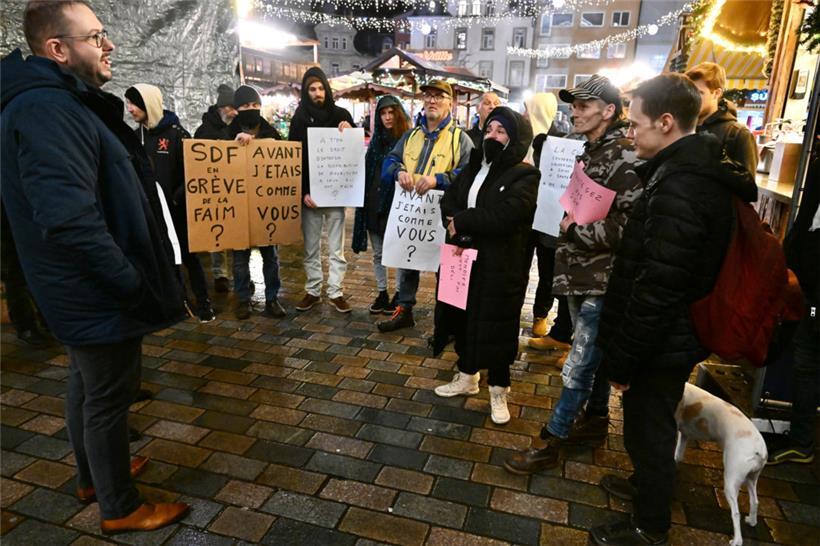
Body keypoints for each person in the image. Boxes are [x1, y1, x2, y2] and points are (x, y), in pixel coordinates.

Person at [1, 0, 190, 532]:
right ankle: (120, 506)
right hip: (93, 290)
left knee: (88, 386)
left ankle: (95, 477)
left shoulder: (54, 102)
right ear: (57, 49)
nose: (109, 45)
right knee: (109, 395)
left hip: (79, 290)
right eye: (95, 37)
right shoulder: (47, 110)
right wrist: (129, 282)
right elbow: (69, 219)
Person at [588, 74, 757, 546]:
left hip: (664, 337)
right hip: (669, 334)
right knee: (650, 425)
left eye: (635, 123)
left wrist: (623, 359)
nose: (630, 133)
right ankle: (646, 488)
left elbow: (659, 287)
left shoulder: (682, 185)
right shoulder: (684, 171)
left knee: (649, 431)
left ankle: (650, 525)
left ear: (665, 122)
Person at [505, 75, 643, 475]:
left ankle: (555, 437)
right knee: (594, 354)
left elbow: (629, 225)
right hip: (580, 272)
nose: (575, 112)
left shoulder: (626, 156)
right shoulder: (590, 150)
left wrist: (575, 231)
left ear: (609, 111)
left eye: (584, 106)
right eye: (574, 105)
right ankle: (596, 418)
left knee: (580, 361)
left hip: (602, 277)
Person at [431, 106, 538, 424]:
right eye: (489, 129)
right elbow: (449, 199)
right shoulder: (474, 166)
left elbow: (508, 215)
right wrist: (457, 223)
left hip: (500, 266)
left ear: (516, 138)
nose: (492, 136)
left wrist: (464, 220)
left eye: (501, 131)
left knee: (497, 326)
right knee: (463, 319)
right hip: (464, 260)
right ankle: (467, 376)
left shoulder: (524, 174)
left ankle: (498, 390)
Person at [378, 80, 474, 332]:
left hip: (445, 216)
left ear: (450, 103)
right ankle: (404, 310)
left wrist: (438, 179)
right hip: (412, 214)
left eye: (439, 96)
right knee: (408, 261)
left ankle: (447, 325)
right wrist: (399, 172)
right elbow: (390, 160)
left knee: (446, 269)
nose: (432, 100)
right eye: (428, 96)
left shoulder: (460, 139)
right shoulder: (411, 136)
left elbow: (469, 174)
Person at [125, 83, 216, 323]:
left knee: (189, 257)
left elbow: (193, 172)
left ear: (148, 104)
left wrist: (177, 198)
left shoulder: (176, 134)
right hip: (152, 212)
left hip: (177, 212)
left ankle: (204, 303)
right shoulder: (134, 137)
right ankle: (179, 302)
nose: (130, 109)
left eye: (133, 103)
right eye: (128, 103)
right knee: (165, 258)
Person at [767, 125, 819, 465]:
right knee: (805, 358)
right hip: (809, 282)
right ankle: (801, 440)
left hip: (814, 286)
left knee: (808, 359)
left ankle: (802, 441)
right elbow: (805, 222)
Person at [289, 67, 355, 313]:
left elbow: (352, 153)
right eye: (312, 89)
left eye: (320, 88)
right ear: (306, 92)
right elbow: (294, 158)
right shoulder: (299, 118)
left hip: (335, 194)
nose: (317, 93)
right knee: (311, 248)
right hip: (310, 197)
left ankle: (336, 291)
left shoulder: (341, 115)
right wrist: (303, 191)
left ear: (326, 89)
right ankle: (313, 290)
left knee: (337, 248)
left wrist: (350, 131)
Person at [221, 85, 287, 320]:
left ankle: (272, 299)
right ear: (237, 109)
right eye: (246, 106)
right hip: (238, 207)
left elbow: (283, 159)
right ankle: (243, 300)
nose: (252, 109)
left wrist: (258, 142)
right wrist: (234, 145)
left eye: (255, 105)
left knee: (271, 257)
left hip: (266, 207)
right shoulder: (227, 134)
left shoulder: (271, 132)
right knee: (240, 259)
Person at [521, 91, 572, 348]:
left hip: (548, 217)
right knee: (519, 266)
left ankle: (540, 314)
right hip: (522, 216)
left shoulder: (559, 141)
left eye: (528, 109)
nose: (524, 114)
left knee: (547, 269)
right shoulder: (520, 138)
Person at [352, 95, 410, 314]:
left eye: (391, 112)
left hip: (397, 207)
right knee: (378, 254)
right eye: (383, 113)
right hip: (373, 205)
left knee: (398, 254)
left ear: (398, 114)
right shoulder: (375, 142)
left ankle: (399, 294)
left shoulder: (408, 140)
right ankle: (382, 292)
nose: (387, 117)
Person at [194, 83, 237, 294]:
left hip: (234, 187)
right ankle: (220, 274)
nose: (235, 112)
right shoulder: (204, 131)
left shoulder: (236, 127)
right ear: (222, 108)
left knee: (236, 233)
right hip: (214, 189)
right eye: (232, 108)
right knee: (217, 233)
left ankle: (239, 274)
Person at [685, 62, 758, 176]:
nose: (692, 98)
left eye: (699, 93)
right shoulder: (682, 127)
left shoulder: (738, 134)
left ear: (716, 93)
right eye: (689, 92)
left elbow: (746, 184)